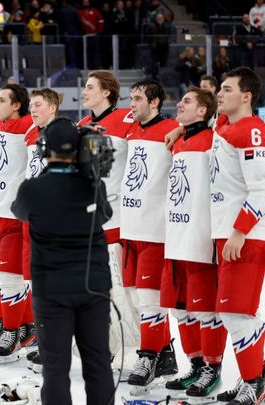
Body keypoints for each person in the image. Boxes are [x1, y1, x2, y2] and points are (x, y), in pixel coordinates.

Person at [11, 117, 114, 405]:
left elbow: (19, 211)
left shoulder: (32, 189)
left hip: (52, 290)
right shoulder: (94, 185)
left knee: (56, 368)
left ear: (46, 148)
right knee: (98, 362)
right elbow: (105, 215)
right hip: (93, 287)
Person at [159, 88, 224, 398]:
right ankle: (195, 364)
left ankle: (213, 368)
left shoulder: (212, 141)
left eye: (187, 101)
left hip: (200, 237)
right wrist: (179, 129)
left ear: (202, 111)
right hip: (174, 236)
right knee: (180, 308)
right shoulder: (180, 141)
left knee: (206, 310)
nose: (179, 104)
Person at [209, 67, 265, 404]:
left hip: (246, 236)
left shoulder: (253, 131)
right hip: (226, 233)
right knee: (236, 311)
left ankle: (254, 382)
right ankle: (255, 376)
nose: (220, 93)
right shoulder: (228, 128)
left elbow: (261, 189)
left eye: (227, 89)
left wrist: (240, 231)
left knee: (235, 313)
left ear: (246, 96)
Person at [121, 79, 180, 387]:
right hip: (130, 227)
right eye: (131, 97)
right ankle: (166, 352)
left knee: (148, 299)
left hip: (155, 230)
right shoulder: (131, 127)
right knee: (134, 295)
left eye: (138, 98)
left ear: (155, 102)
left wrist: (182, 127)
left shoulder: (171, 129)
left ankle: (149, 357)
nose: (132, 103)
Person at [78, 70, 139, 367]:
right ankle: (109, 346)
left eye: (90, 87)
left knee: (120, 289)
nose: (85, 91)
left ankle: (135, 350)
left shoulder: (127, 119)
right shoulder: (82, 125)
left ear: (107, 92)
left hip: (116, 218)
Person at [0, 84, 36, 363]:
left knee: (9, 276)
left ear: (17, 105)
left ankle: (11, 331)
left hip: (13, 215)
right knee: (1, 275)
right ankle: (26, 325)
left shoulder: (28, 126)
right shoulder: (1, 123)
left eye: (3, 100)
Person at [21, 87, 61, 369]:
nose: (33, 110)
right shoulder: (30, 134)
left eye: (38, 105)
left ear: (53, 108)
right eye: (31, 105)